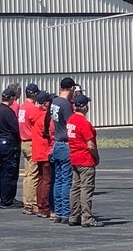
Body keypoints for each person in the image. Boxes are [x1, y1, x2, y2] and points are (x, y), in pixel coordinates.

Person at [67, 94, 104, 227]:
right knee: (86, 189)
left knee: (75, 188)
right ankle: (86, 217)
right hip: (85, 159)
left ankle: (74, 215)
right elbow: (90, 144)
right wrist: (96, 156)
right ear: (84, 107)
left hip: (74, 157)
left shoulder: (71, 120)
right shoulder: (84, 123)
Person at [50, 77, 76, 224]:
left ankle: (58, 212)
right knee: (66, 180)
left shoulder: (55, 102)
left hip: (57, 143)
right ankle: (66, 212)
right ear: (71, 88)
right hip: (65, 144)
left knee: (58, 180)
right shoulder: (65, 104)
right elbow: (71, 124)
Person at [0, 88, 23, 209]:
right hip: (10, 144)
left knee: (3, 172)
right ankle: (8, 200)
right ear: (11, 98)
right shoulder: (8, 112)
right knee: (10, 172)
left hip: (1, 142)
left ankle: (5, 198)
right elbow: (16, 129)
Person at [31, 91, 55, 218]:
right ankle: (45, 207)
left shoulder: (36, 115)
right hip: (45, 151)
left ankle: (40, 205)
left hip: (37, 151)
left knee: (41, 179)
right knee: (46, 180)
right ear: (46, 103)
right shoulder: (45, 117)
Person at [18, 83, 40, 215]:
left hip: (24, 141)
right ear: (34, 94)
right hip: (31, 142)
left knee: (27, 174)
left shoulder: (22, 107)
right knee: (33, 174)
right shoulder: (32, 108)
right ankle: (31, 203)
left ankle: (27, 201)